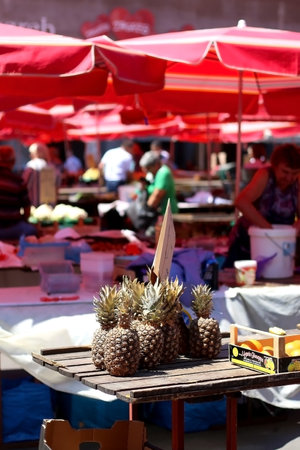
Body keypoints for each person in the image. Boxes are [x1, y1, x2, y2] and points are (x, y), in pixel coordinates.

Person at [224, 143, 300, 267]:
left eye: (294, 173)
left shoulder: (298, 182)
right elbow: (241, 201)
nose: (289, 177)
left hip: (280, 245)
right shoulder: (264, 175)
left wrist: (293, 230)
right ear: (274, 166)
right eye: (285, 172)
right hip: (249, 243)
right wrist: (269, 230)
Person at [0, 145, 37, 240]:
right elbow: (27, 210)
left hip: (11, 229)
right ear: (13, 162)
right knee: (32, 231)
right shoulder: (18, 181)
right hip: (14, 229)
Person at [139, 150, 178, 215]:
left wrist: (144, 210)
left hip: (166, 212)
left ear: (156, 165)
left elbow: (157, 195)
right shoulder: (152, 174)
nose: (147, 171)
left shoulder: (163, 172)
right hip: (157, 211)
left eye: (148, 168)